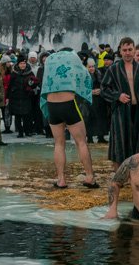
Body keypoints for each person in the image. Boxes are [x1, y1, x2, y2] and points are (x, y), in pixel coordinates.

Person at [40, 49, 97, 188]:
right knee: (81, 142)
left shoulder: (50, 60)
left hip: (52, 104)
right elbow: (86, 77)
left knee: (59, 143)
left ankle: (61, 180)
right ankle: (89, 177)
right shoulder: (73, 58)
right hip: (68, 103)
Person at [101, 37, 139, 169]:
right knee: (119, 143)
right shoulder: (113, 69)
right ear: (120, 51)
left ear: (134, 50)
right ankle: (119, 175)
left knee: (137, 143)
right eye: (124, 50)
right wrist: (117, 96)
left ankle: (135, 174)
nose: (127, 53)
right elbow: (104, 89)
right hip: (120, 111)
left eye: (130, 49)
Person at [7, 55, 38, 138]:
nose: (23, 65)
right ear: (18, 64)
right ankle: (20, 132)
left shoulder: (30, 72)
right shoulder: (14, 73)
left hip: (26, 97)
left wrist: (31, 86)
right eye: (21, 63)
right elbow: (10, 85)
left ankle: (27, 131)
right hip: (16, 97)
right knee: (17, 116)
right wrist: (8, 96)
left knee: (27, 116)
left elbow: (34, 83)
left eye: (24, 63)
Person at [84, 58, 109, 143]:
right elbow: (81, 89)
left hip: (99, 99)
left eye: (93, 66)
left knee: (101, 118)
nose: (92, 68)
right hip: (89, 100)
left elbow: (104, 84)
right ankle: (89, 137)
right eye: (90, 67)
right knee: (90, 119)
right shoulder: (84, 76)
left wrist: (100, 90)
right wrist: (91, 92)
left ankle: (100, 136)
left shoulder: (99, 74)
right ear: (86, 67)